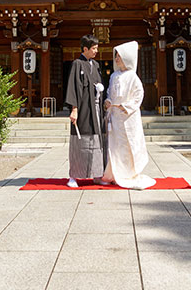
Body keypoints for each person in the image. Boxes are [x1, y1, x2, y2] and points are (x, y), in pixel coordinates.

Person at [102, 41, 155, 189]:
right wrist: (108, 101)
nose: (116, 59)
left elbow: (139, 95)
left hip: (128, 117)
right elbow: (109, 93)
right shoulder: (113, 76)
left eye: (119, 56)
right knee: (114, 146)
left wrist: (125, 106)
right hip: (115, 117)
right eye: (116, 56)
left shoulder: (132, 76)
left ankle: (128, 173)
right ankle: (113, 173)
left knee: (128, 145)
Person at [64, 34, 106, 188]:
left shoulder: (95, 65)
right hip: (83, 109)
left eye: (96, 48)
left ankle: (96, 174)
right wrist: (74, 109)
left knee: (96, 141)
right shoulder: (77, 64)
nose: (96, 51)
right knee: (80, 141)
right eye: (93, 48)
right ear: (85, 49)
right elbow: (74, 87)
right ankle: (73, 176)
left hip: (95, 109)